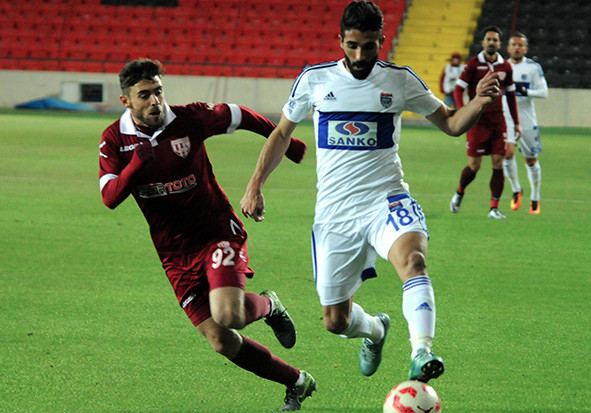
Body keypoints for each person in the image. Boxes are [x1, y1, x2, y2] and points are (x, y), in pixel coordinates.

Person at [240, 1, 500, 383]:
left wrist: (477, 102)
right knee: (335, 320)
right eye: (352, 45)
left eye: (369, 46)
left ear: (382, 40)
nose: (360, 55)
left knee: (414, 261)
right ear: (340, 41)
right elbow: (281, 133)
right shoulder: (315, 80)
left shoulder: (400, 80)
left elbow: (450, 123)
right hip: (335, 215)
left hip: (387, 200)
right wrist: (255, 184)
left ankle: (421, 353)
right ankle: (376, 330)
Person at [98, 58, 316, 412]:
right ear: (127, 101)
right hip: (174, 252)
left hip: (217, 232)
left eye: (158, 92)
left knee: (229, 314)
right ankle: (297, 381)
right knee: (220, 340)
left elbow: (238, 114)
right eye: (144, 95)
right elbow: (110, 198)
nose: (155, 101)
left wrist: (286, 143)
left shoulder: (188, 119)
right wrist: (138, 162)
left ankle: (269, 305)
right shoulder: (114, 140)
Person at [450, 26, 522, 219]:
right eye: (488, 39)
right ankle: (459, 192)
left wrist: (516, 122)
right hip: (477, 122)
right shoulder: (473, 65)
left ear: (500, 44)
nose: (492, 43)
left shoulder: (505, 67)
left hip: (498, 122)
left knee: (499, 162)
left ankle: (494, 208)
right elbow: (458, 89)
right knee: (474, 165)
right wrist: (463, 109)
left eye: (495, 40)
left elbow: (511, 95)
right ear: (483, 43)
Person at [502, 32, 548, 214]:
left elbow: (544, 92)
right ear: (508, 48)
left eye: (520, 45)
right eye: (514, 44)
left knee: (530, 160)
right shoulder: (501, 66)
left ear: (525, 49)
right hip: (506, 119)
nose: (517, 47)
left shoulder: (533, 68)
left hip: (527, 120)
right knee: (507, 154)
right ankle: (516, 189)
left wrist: (526, 92)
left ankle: (535, 196)